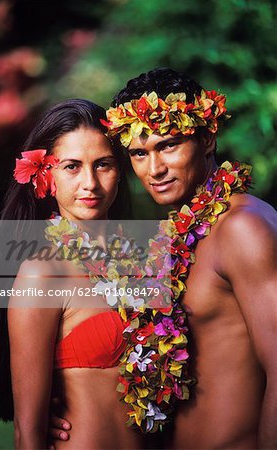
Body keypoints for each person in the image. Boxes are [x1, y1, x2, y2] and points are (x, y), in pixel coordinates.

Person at [51, 69, 277, 449]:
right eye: (139, 153)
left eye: (168, 146)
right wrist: (63, 406)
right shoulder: (178, 236)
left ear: (206, 139)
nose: (154, 170)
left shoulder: (244, 227)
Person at [0, 99, 145, 449]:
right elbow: (28, 434)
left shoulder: (143, 261)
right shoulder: (42, 273)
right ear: (45, 176)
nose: (90, 183)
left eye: (103, 164)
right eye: (71, 166)